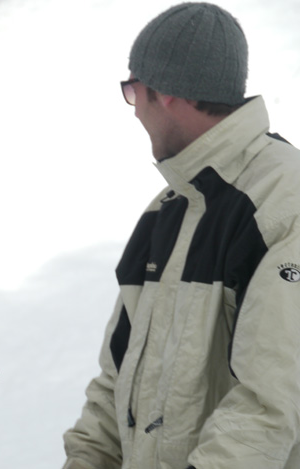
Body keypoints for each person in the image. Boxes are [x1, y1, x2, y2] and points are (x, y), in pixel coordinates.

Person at [62, 3, 300, 468]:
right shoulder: (165, 214)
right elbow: (116, 381)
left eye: (134, 91)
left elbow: (268, 406)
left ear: (165, 93)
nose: (134, 111)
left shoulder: (282, 205)